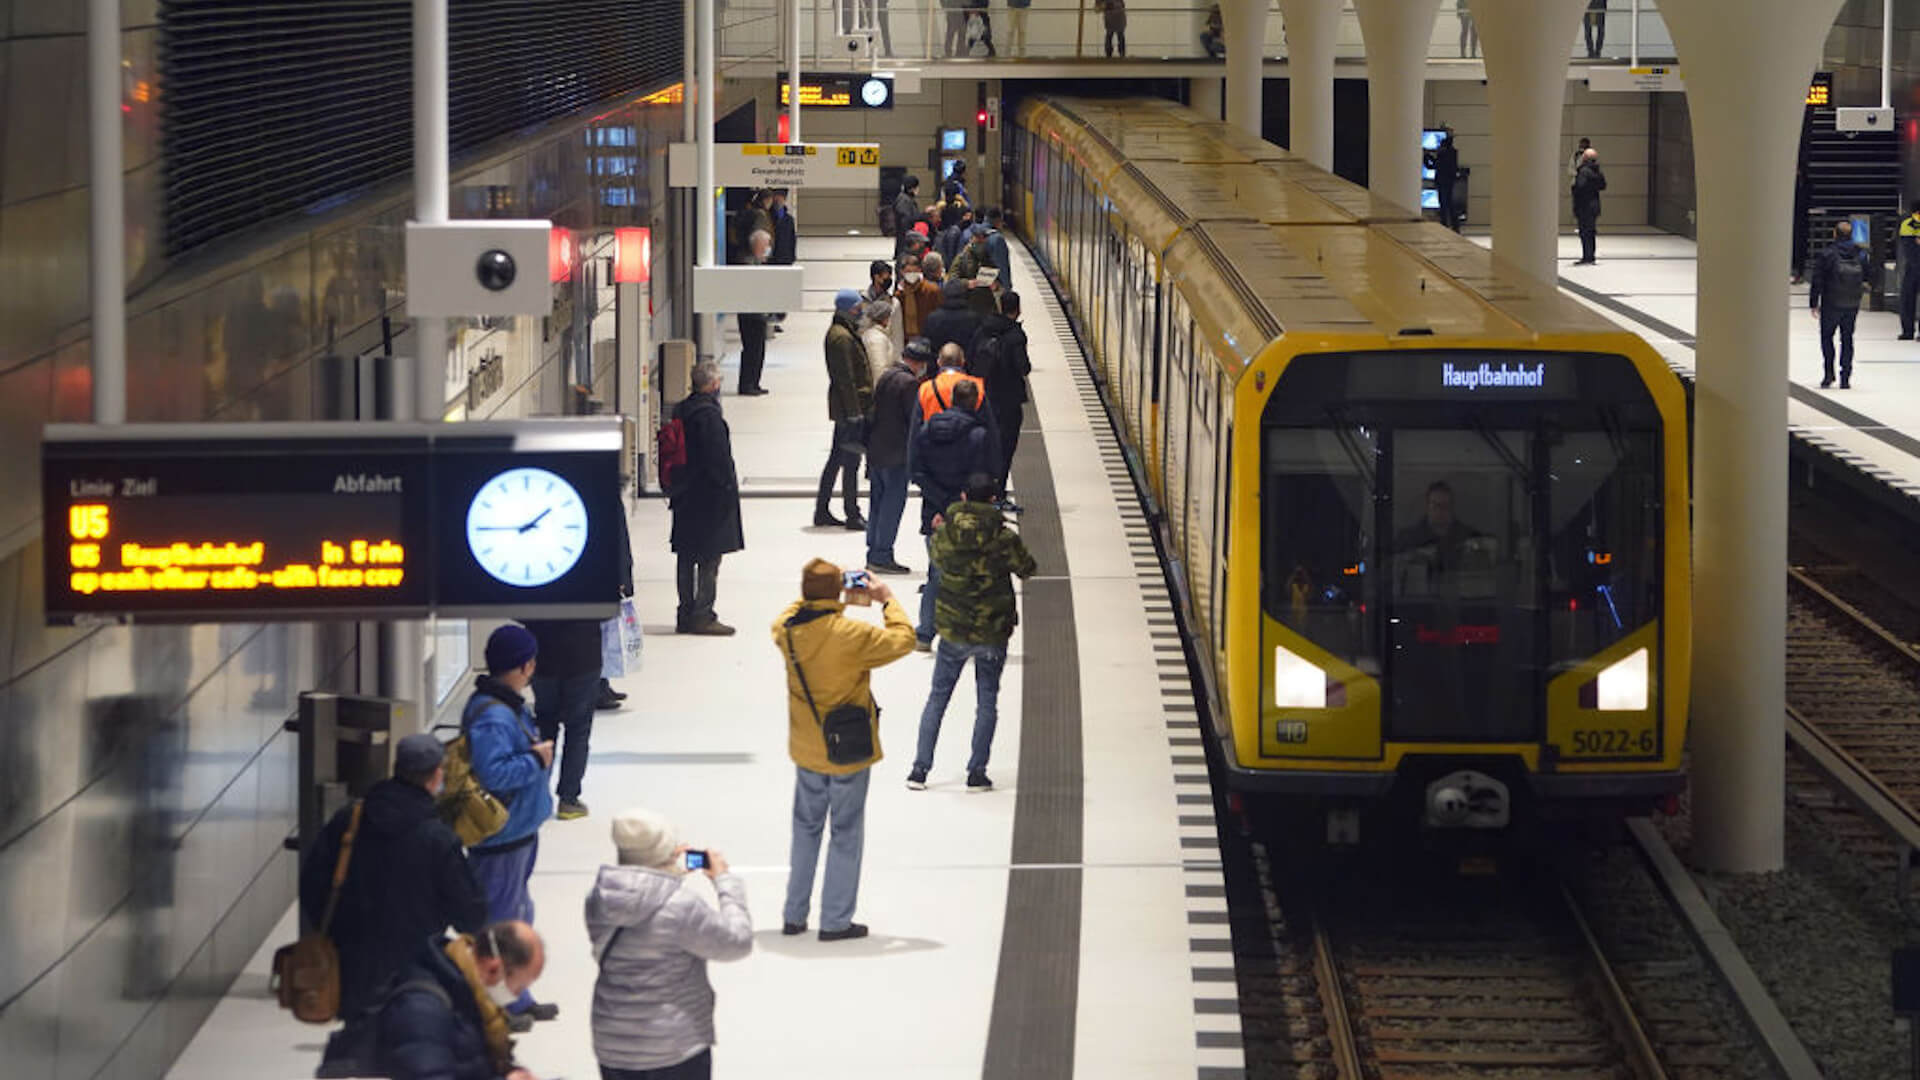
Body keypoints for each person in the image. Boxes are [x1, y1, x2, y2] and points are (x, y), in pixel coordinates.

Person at [773, 558, 917, 941]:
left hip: (807, 747)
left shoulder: (786, 631)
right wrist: (884, 598)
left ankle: (794, 913)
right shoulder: (851, 635)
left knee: (805, 830)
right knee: (845, 831)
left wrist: (822, 596)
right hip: (847, 749)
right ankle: (836, 920)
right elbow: (905, 639)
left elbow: (793, 611)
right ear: (838, 590)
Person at [300, 733, 487, 1017]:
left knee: (357, 1044)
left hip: (353, 966)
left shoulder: (350, 819)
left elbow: (312, 882)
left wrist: (339, 934)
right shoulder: (438, 839)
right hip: (417, 972)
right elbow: (470, 915)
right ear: (436, 775)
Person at [588, 809, 753, 1080]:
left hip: (613, 1044)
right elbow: (738, 941)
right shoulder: (681, 907)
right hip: (673, 1045)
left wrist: (667, 871)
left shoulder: (600, 898)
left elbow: (641, 899)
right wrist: (725, 881)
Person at [910, 474, 1037, 793]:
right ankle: (976, 773)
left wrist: (939, 530)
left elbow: (936, 561)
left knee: (937, 698)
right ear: (993, 500)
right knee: (987, 700)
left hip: (953, 629)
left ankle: (920, 770)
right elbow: (1028, 568)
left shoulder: (947, 533)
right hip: (992, 631)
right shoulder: (1003, 537)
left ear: (964, 496)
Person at [462, 627, 556, 1026]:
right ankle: (497, 1003)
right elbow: (494, 775)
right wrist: (535, 760)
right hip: (500, 837)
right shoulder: (495, 716)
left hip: (518, 831)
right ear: (524, 664)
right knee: (499, 927)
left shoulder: (504, 705)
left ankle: (516, 996)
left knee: (517, 914)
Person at [370, 921, 545, 1080]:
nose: (515, 998)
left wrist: (510, 1072)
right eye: (519, 989)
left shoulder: (475, 1000)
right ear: (494, 968)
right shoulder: (423, 1010)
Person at [912, 378, 996, 651]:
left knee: (936, 574)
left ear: (951, 400)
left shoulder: (926, 430)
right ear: (976, 403)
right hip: (967, 516)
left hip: (933, 514)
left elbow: (915, 470)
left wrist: (940, 501)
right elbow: (984, 477)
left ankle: (925, 634)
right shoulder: (979, 436)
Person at [671, 362, 744, 635]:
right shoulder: (709, 416)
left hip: (685, 494)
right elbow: (718, 460)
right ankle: (703, 614)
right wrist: (727, 491)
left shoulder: (682, 409)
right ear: (713, 385)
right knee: (709, 557)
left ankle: (685, 612)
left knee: (686, 554)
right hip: (708, 497)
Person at [520, 617, 600, 820]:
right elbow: (606, 610)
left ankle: (537, 795)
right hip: (583, 654)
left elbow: (519, 611)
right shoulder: (590, 583)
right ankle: (569, 799)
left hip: (543, 656)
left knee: (545, 725)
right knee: (578, 730)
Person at [867, 337, 933, 575]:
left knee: (877, 503)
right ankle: (882, 555)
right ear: (919, 363)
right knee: (892, 506)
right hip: (896, 454)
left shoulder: (887, 375)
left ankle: (874, 551)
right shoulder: (909, 383)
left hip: (876, 450)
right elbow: (914, 420)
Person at [815, 290, 873, 530]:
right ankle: (852, 513)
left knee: (837, 459)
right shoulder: (841, 338)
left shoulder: (844, 332)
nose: (861, 310)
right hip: (850, 409)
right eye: (858, 307)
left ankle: (822, 510)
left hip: (848, 407)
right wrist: (854, 412)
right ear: (850, 309)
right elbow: (845, 379)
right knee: (850, 461)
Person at [970, 290, 1031, 490]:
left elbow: (971, 357)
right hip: (1009, 399)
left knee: (985, 443)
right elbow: (1024, 368)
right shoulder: (1015, 335)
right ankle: (999, 490)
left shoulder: (983, 329)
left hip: (984, 395)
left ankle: (982, 488)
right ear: (1018, 309)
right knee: (1005, 446)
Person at [1810, 219, 1869, 390]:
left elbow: (1818, 279)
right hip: (1852, 302)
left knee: (1827, 337)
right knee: (1847, 338)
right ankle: (1846, 376)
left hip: (1831, 301)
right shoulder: (1860, 253)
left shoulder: (1827, 253)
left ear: (1834, 233)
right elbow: (1869, 274)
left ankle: (1828, 374)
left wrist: (1814, 302)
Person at [734, 229, 772, 395]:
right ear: (757, 245)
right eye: (765, 245)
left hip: (758, 313)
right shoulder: (746, 261)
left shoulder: (757, 261)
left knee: (759, 350)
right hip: (749, 315)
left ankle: (754, 382)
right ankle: (746, 384)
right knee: (751, 350)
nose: (767, 248)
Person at [923, 277, 983, 358]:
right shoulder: (974, 318)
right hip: (967, 365)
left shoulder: (932, 318)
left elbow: (928, 346)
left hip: (939, 365)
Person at [1571, 148, 1605, 266]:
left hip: (1584, 205)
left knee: (1584, 232)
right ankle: (1591, 256)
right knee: (1591, 231)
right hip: (1594, 204)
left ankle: (1586, 256)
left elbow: (1579, 187)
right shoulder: (1598, 171)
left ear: (1584, 158)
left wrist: (1574, 190)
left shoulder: (1584, 171)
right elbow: (1603, 185)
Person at [768, 189, 797, 329]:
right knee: (771, 289)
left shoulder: (789, 219)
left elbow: (792, 240)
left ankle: (778, 317)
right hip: (771, 259)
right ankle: (770, 317)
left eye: (780, 197)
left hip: (784, 258)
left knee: (781, 291)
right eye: (776, 197)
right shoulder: (768, 217)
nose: (778, 200)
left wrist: (792, 257)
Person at [896, 253, 941, 338]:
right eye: (908, 272)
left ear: (920, 270)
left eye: (914, 271)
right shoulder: (900, 294)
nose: (912, 274)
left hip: (927, 336)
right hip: (906, 338)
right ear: (902, 272)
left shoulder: (932, 290)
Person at [1428, 129, 1461, 232]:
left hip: (1442, 181)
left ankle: (1445, 224)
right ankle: (1454, 226)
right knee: (1449, 203)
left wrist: (1427, 156)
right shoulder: (1453, 153)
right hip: (1449, 181)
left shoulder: (1442, 154)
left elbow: (1432, 165)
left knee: (1443, 203)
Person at [860, 298, 897, 382]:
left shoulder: (875, 334)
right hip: (880, 389)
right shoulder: (877, 339)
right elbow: (879, 369)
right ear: (884, 319)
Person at [1899, 200, 1920, 339]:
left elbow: (1907, 247)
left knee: (1907, 300)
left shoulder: (1906, 224)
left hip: (1912, 267)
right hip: (1914, 265)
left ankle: (1908, 331)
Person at [982, 208, 1014, 290]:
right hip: (993, 284)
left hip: (976, 284)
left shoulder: (973, 233)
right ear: (997, 221)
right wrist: (1007, 287)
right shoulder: (997, 239)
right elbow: (1001, 264)